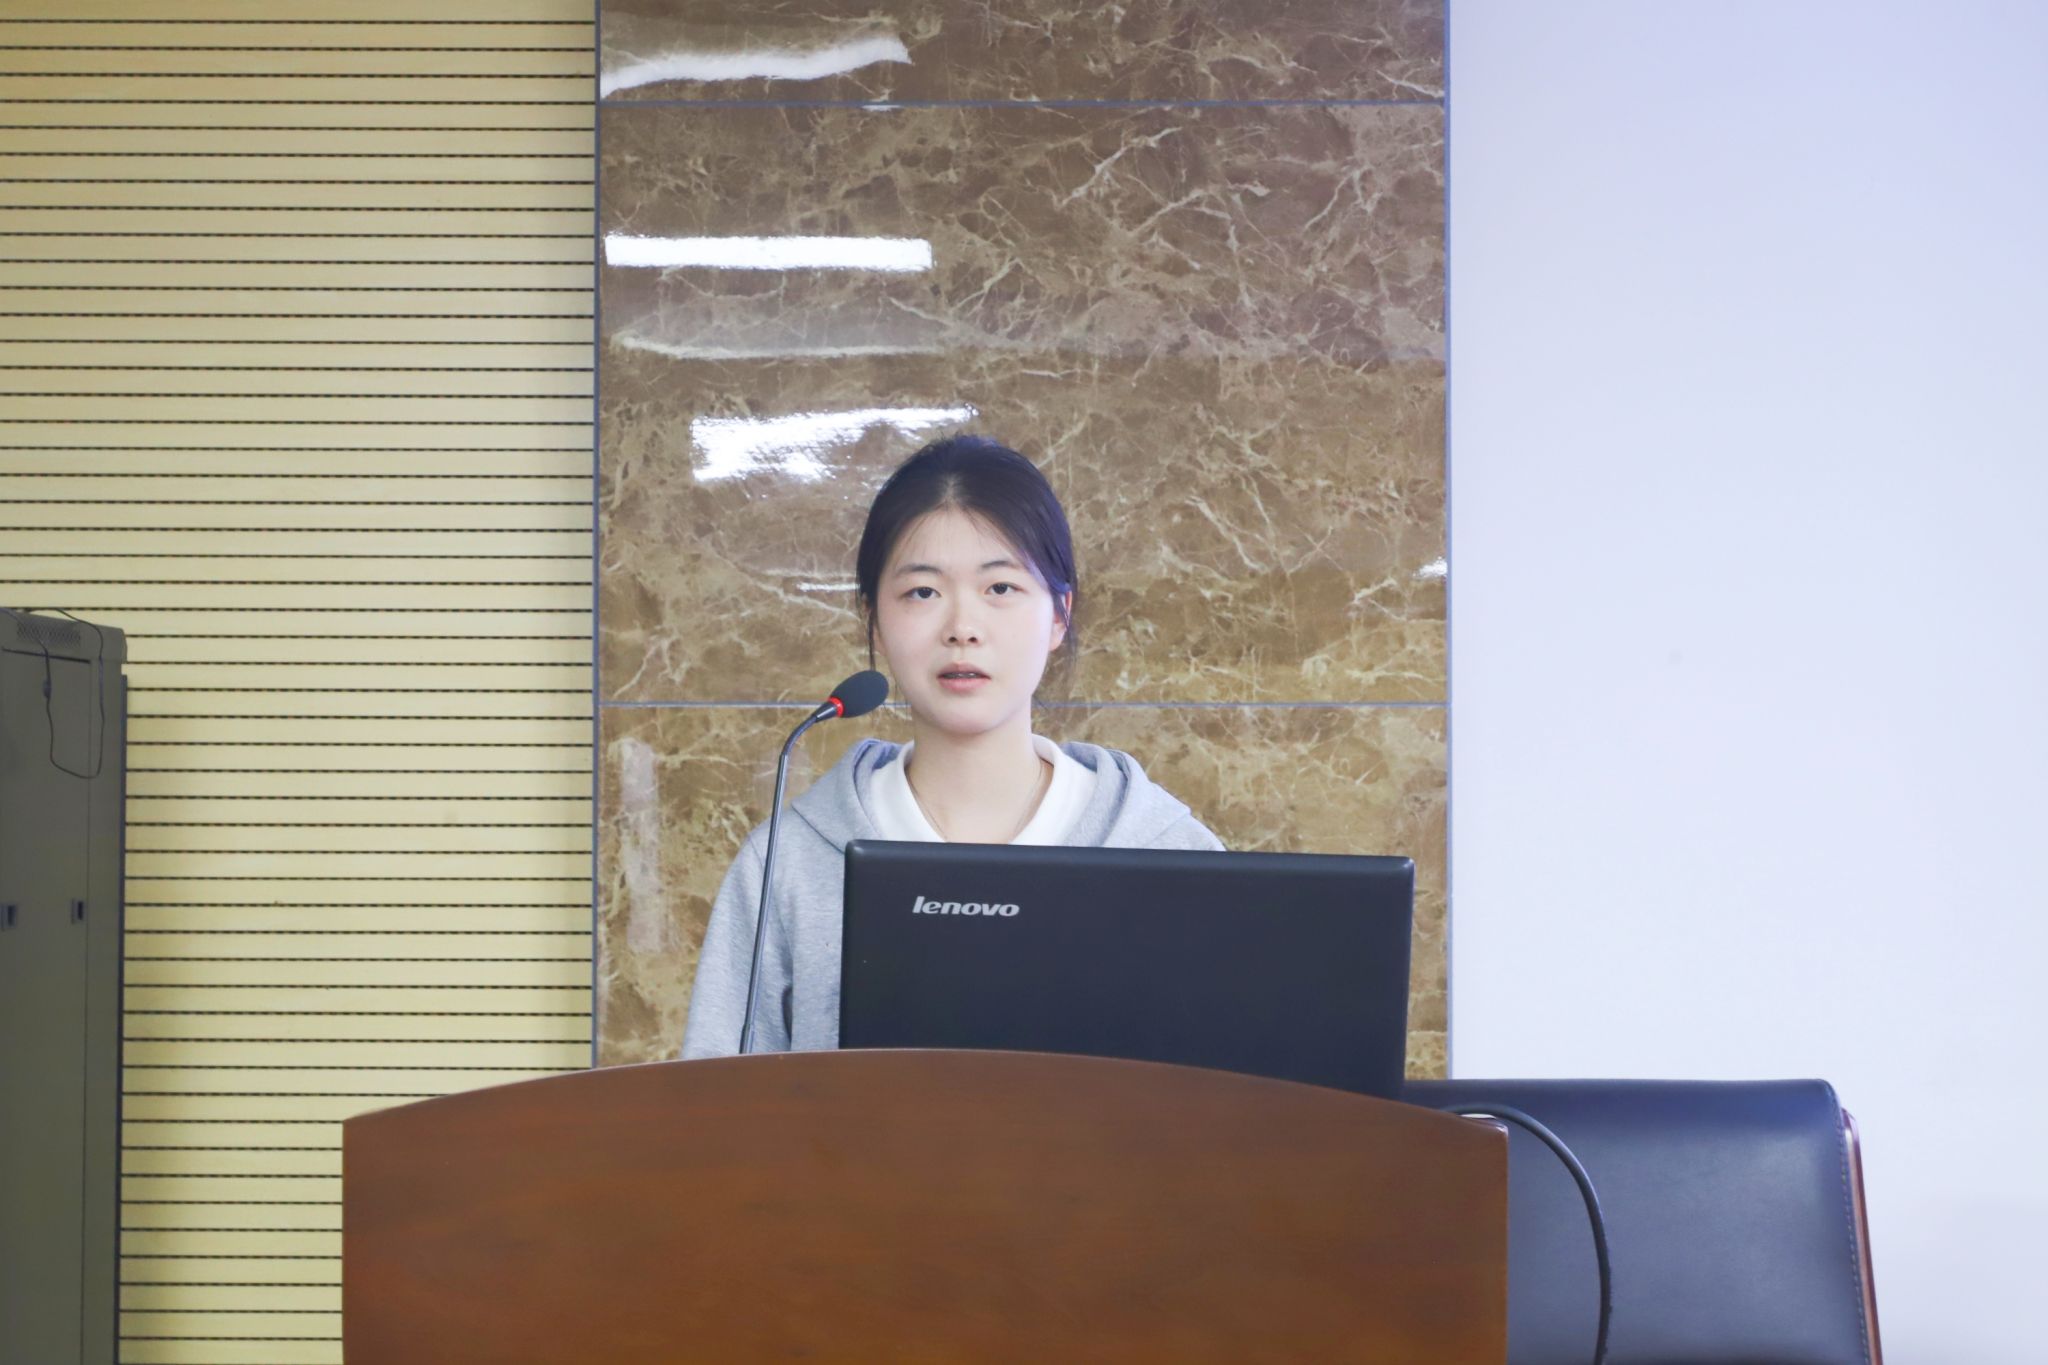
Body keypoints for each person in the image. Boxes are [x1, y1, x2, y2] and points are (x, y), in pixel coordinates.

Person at [680, 434, 1224, 1058]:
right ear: (874, 621)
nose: (962, 628)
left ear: (1058, 615)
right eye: (922, 592)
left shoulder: (1171, 852)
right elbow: (715, 1106)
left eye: (1001, 588)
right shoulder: (788, 863)